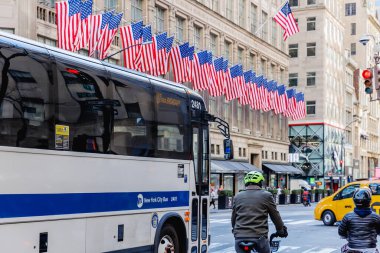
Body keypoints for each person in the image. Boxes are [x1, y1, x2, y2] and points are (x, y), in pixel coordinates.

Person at [231, 171, 288, 253]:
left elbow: (233, 217)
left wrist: (235, 230)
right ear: (260, 183)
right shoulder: (266, 195)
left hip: (239, 238)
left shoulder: (238, 196)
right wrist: (281, 230)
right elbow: (275, 216)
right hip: (259, 237)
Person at [338, 188, 380, 253]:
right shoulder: (376, 217)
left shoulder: (348, 216)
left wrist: (347, 236)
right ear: (369, 201)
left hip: (352, 248)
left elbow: (341, 232)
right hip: (371, 249)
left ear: (354, 201)